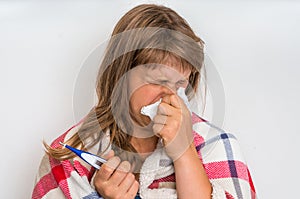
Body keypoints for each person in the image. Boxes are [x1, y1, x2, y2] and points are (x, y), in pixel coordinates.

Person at [32, 4, 256, 199]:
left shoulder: (218, 146)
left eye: (180, 84)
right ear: (120, 77)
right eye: (158, 81)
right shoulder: (69, 159)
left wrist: (184, 151)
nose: (170, 96)